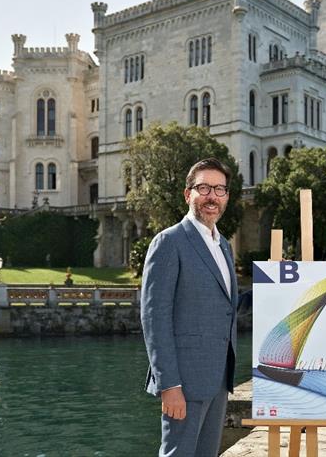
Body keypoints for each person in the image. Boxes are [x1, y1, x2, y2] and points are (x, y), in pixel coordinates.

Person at [141, 158, 238, 457]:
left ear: (227, 197)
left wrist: (275, 284)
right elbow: (154, 317)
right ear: (188, 194)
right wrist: (169, 385)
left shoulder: (223, 246)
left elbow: (225, 305)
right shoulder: (169, 241)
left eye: (219, 189)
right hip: (184, 383)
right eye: (204, 187)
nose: (212, 196)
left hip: (219, 377)